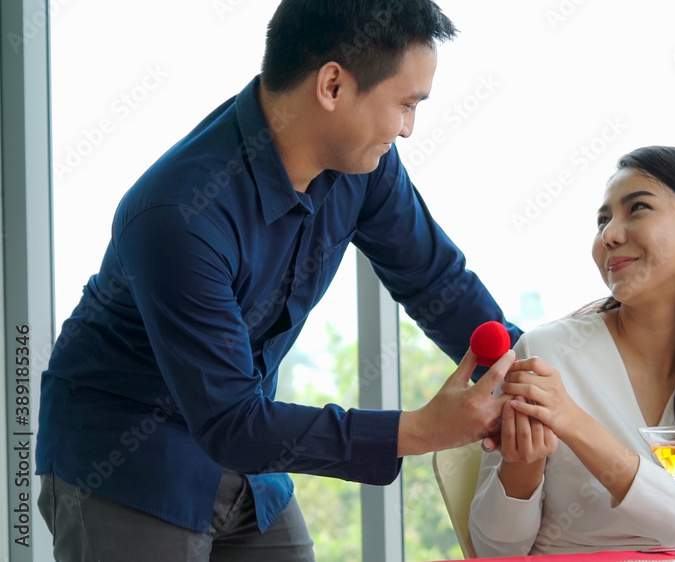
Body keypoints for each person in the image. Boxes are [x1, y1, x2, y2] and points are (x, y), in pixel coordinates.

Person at [36, 1, 520, 560]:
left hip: (251, 454)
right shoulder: (178, 215)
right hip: (128, 463)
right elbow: (230, 420)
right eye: (405, 105)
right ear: (332, 85)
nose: (409, 129)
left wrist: (527, 375)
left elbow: (436, 281)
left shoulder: (363, 164)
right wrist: (421, 430)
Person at [468, 146, 675, 556]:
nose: (609, 234)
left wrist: (575, 423)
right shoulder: (547, 354)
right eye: (602, 220)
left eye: (637, 208)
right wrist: (523, 465)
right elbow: (496, 553)